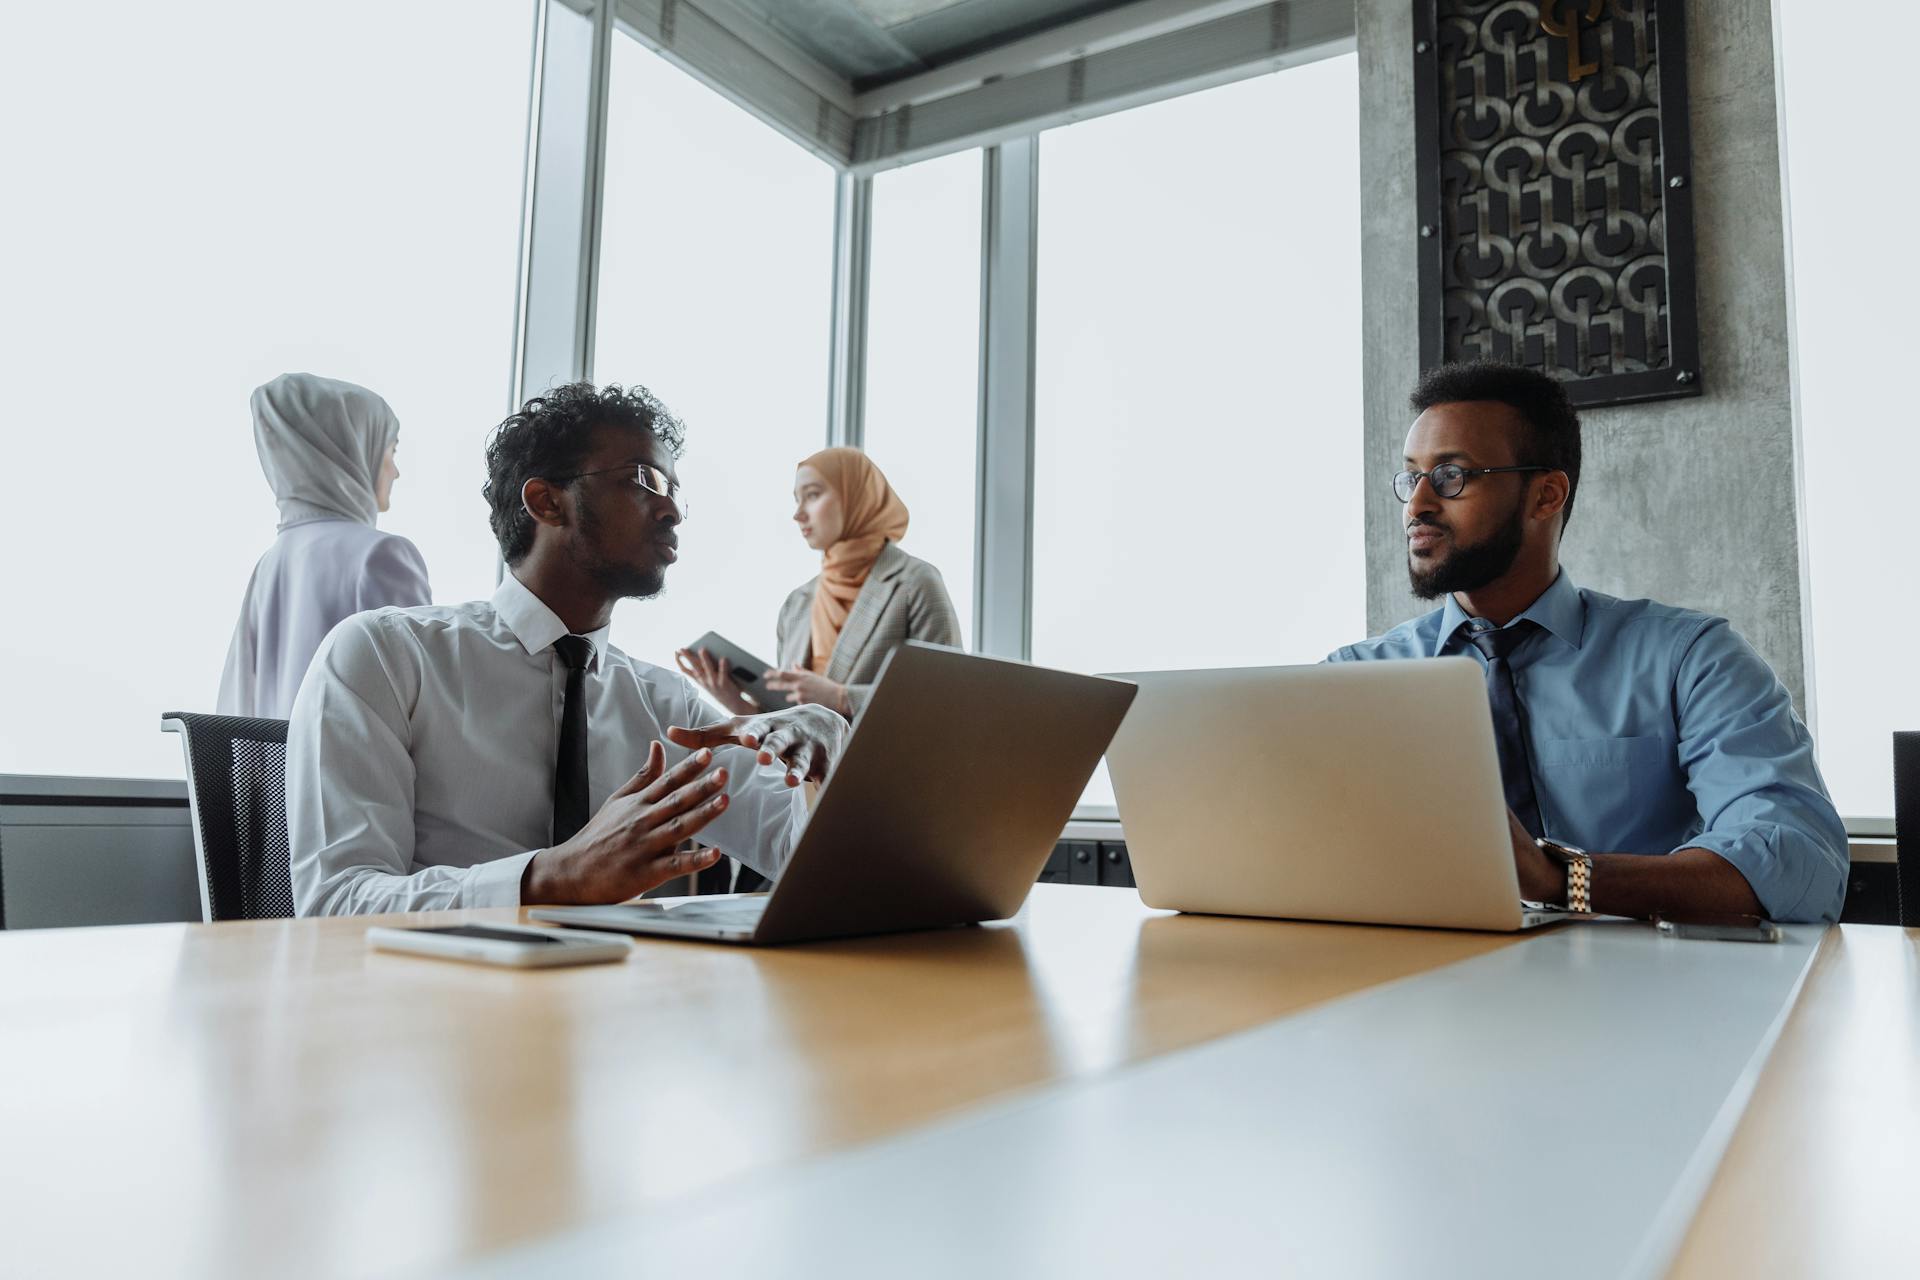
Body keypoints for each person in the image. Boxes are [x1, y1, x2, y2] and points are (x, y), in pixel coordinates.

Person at [285, 382, 849, 916]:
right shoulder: (387, 656)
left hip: (622, 1002)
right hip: (437, 1005)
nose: (672, 509)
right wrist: (549, 878)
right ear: (547, 501)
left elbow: (806, 864)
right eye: (645, 479)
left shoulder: (669, 707)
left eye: (675, 491)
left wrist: (827, 767)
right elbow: (337, 900)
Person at [1328, 360, 1847, 924]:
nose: (1417, 504)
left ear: (1545, 494)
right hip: (1415, 994)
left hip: (1648, 996)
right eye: (1412, 477)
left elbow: (1800, 864)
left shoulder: (1691, 659)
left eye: (1451, 476)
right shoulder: (1352, 681)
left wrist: (1559, 878)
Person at [677, 447, 961, 720]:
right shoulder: (797, 603)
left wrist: (841, 698)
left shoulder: (915, 582)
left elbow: (947, 697)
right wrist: (739, 705)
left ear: (857, 497)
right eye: (797, 500)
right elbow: (796, 726)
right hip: (806, 771)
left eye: (812, 495)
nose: (798, 514)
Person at [216, 373, 430, 718]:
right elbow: (420, 705)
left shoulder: (272, 562)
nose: (396, 471)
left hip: (283, 773)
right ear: (352, 451)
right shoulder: (380, 556)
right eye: (391, 450)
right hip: (356, 772)